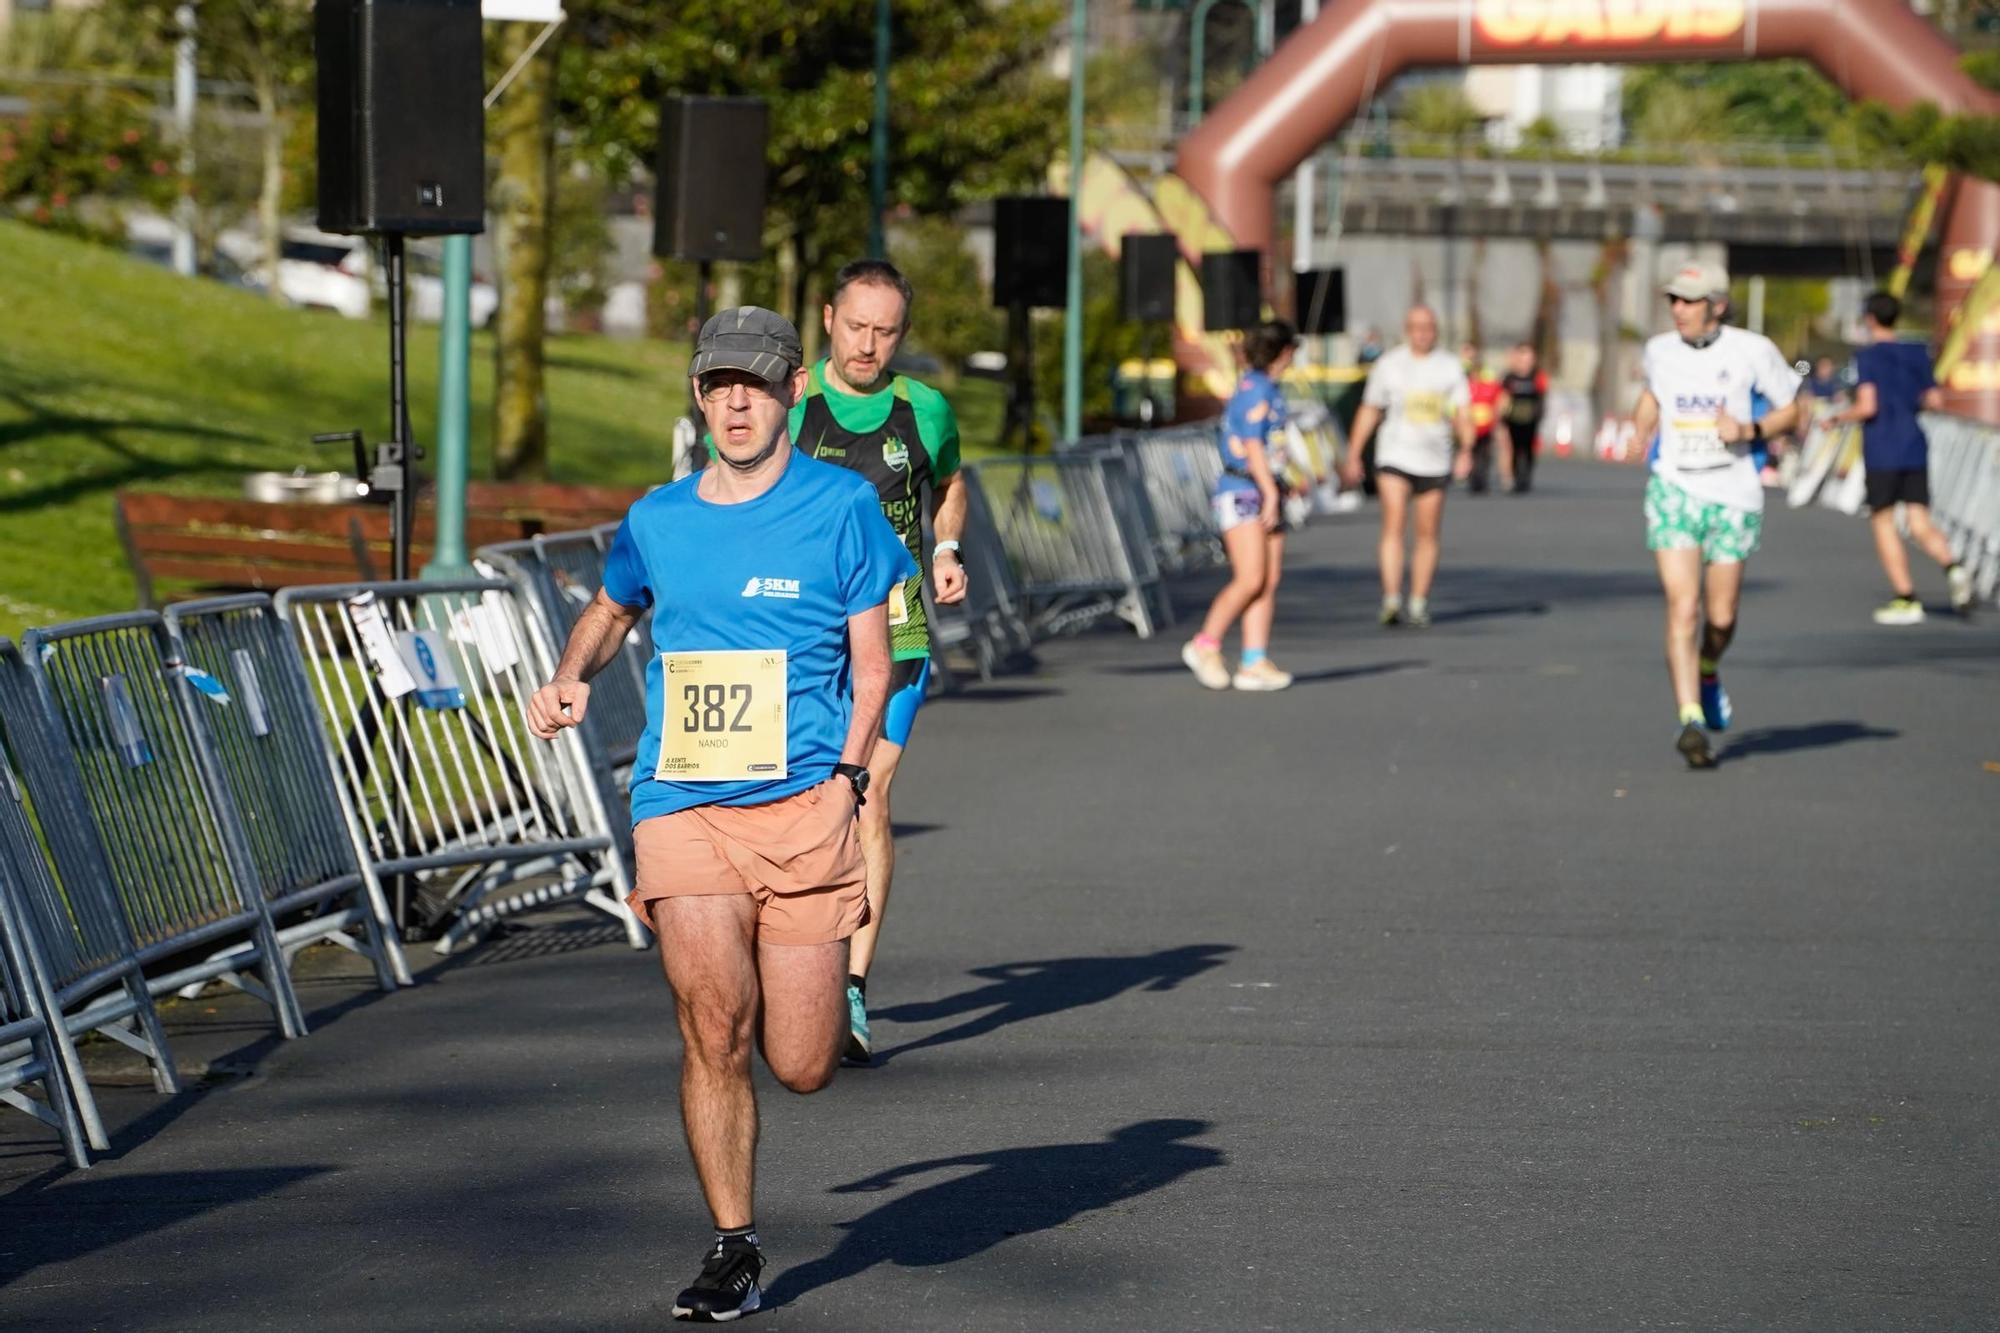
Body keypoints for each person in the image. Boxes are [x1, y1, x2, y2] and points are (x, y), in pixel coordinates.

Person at [526, 306, 916, 1322]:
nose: (735, 402)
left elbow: (872, 663)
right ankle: (731, 1246)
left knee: (800, 1061)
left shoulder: (840, 508)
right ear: (697, 397)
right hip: (683, 802)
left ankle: (805, 1046)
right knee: (712, 1026)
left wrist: (845, 775)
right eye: (716, 385)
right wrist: (571, 674)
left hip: (803, 805)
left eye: (754, 383)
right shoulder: (658, 516)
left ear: (792, 389)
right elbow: (614, 608)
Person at [789, 258, 968, 1066]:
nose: (868, 344)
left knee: (868, 794)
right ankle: (794, 962)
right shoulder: (791, 403)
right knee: (793, 796)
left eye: (886, 331)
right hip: (804, 629)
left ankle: (853, 986)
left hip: (895, 631)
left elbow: (951, 481)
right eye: (856, 326)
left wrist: (947, 546)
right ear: (828, 317)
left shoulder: (923, 409)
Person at [1631, 263, 1802, 769]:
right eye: (1673, 301)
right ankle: (1690, 720)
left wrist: (1749, 430)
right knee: (1683, 608)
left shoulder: (1753, 350)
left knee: (1721, 618)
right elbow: (1651, 398)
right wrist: (1641, 427)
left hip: (1734, 494)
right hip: (1675, 487)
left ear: (1717, 305)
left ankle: (1708, 669)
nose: (1678, 310)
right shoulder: (1659, 350)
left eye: (1689, 301)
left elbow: (1794, 409)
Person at [1828, 290, 1974, 624]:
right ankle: (1952, 567)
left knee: (1883, 521)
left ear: (1869, 318)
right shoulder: (1917, 352)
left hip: (1882, 449)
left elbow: (1868, 406)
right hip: (1914, 444)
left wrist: (1836, 418)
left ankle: (1906, 597)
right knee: (1919, 521)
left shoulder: (1868, 357)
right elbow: (1934, 401)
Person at [1181, 320, 1300, 690]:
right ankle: (1205, 643)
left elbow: (1271, 445)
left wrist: (1285, 482)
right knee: (1249, 577)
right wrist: (1269, 490)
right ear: (1282, 353)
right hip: (1244, 489)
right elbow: (1250, 445)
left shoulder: (1269, 388)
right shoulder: (1256, 390)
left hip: (1267, 486)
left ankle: (1254, 660)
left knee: (1268, 579)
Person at [1341, 305, 1474, 628]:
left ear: (1436, 330)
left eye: (1428, 327)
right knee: (1394, 524)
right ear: (1407, 329)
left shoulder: (1449, 367)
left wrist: (1466, 450)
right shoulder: (1389, 365)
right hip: (1395, 456)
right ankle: (1391, 598)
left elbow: (1462, 414)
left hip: (1434, 458)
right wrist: (1354, 453)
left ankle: (1418, 600)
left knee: (1427, 533)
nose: (1423, 333)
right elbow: (1370, 409)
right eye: (1416, 327)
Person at [1500, 341, 1549, 494]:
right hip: (1513, 419)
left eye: (1529, 358)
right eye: (1522, 357)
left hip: (1530, 419)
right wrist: (1502, 416)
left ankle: (1526, 476)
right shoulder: (1510, 377)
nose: (1525, 362)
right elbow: (1503, 397)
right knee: (1514, 449)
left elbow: (1542, 397)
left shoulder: (1537, 376)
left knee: (1527, 450)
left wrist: (1539, 414)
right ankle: (1515, 477)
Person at [1461, 342, 1507, 493]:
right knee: (1471, 450)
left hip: (1486, 422)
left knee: (1484, 453)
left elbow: (1497, 393)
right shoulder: (1460, 371)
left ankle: (1482, 479)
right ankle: (1473, 478)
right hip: (1468, 421)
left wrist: (1497, 415)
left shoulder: (1487, 374)